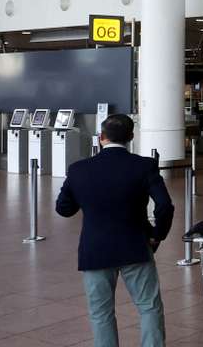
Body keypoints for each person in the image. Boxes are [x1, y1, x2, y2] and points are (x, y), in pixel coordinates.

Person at [56, 114, 174, 347]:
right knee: (149, 307)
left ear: (101, 137)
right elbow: (164, 206)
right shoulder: (144, 166)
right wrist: (157, 235)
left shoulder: (79, 169)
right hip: (136, 246)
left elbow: (64, 209)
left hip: (95, 250)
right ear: (131, 137)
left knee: (101, 312)